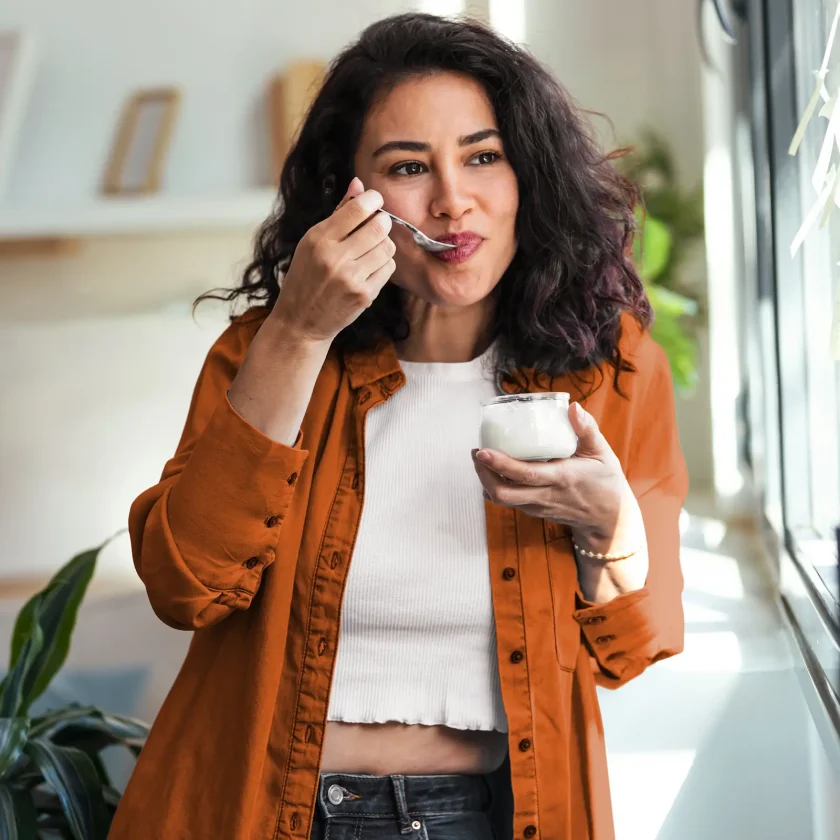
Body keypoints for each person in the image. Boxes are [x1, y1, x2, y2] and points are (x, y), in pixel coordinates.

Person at [109, 12, 688, 840]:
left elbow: (633, 647)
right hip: (267, 810)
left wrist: (609, 526)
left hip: (490, 817)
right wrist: (300, 332)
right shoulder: (265, 353)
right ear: (352, 196)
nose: (453, 201)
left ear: (530, 173)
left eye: (483, 156)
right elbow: (183, 584)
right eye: (409, 167)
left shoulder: (613, 371)